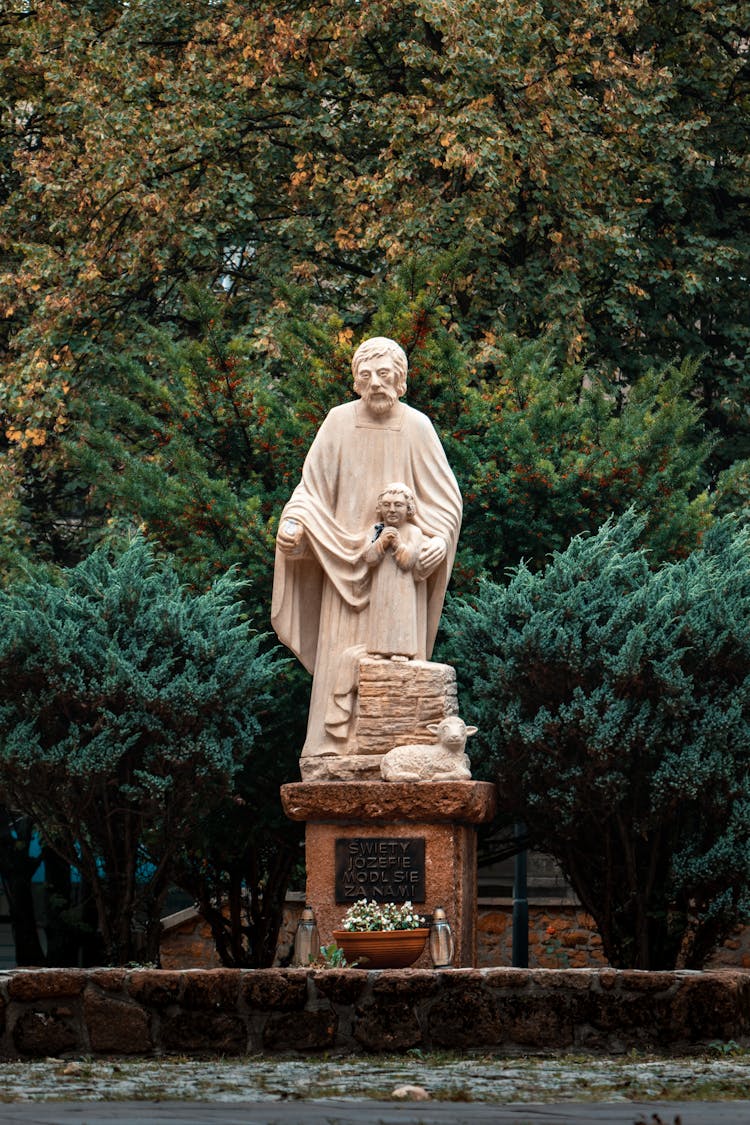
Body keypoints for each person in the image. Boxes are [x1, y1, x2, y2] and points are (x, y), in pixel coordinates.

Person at [271, 336, 462, 766]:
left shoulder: (417, 427)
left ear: (402, 381)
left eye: (385, 374)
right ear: (356, 382)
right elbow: (310, 492)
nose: (376, 383)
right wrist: (295, 527)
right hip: (346, 564)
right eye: (366, 375)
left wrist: (436, 541)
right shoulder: (338, 423)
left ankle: (399, 751)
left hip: (398, 574)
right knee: (342, 653)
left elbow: (446, 501)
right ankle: (331, 749)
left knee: (396, 662)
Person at [362, 483, 425, 661]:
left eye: (398, 505)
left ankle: (402, 650)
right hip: (381, 582)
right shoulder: (375, 530)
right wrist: (382, 541)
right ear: (380, 507)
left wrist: (397, 542)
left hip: (403, 585)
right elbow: (368, 558)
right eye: (386, 505)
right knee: (381, 612)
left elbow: (407, 562)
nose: (391, 510)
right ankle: (379, 648)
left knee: (401, 614)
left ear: (409, 508)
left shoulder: (414, 532)